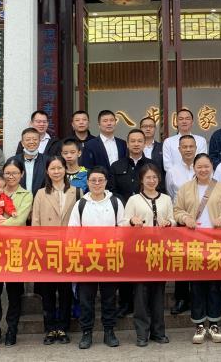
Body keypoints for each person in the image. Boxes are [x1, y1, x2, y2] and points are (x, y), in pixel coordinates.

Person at [173, 153, 221, 344]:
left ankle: (214, 323)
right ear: (194, 168)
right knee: (197, 284)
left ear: (212, 167)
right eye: (199, 166)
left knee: (215, 284)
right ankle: (199, 325)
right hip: (194, 243)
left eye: (206, 166)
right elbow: (177, 210)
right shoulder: (185, 188)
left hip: (215, 242)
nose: (203, 169)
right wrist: (185, 218)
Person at [68, 167, 125, 349]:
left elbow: (123, 228)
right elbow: (73, 231)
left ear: (106, 182)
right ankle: (86, 333)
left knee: (109, 297)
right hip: (87, 258)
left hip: (109, 257)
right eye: (93, 180)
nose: (97, 183)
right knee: (86, 299)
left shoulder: (115, 202)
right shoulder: (81, 204)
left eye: (101, 180)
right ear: (88, 182)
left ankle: (109, 331)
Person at [31, 156, 81, 345]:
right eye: (52, 168)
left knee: (66, 290)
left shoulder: (77, 191)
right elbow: (36, 222)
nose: (57, 171)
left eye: (59, 168)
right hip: (47, 248)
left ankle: (63, 327)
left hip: (69, 247)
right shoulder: (40, 193)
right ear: (47, 171)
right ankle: (50, 328)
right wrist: (38, 247)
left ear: (65, 169)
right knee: (48, 290)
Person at [123, 164, 175, 347]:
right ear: (141, 180)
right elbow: (122, 223)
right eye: (148, 178)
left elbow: (173, 220)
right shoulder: (133, 200)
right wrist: (132, 221)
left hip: (160, 251)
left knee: (158, 293)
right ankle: (142, 333)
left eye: (154, 177)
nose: (151, 181)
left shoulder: (166, 199)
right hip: (139, 252)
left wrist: (169, 222)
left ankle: (158, 332)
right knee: (140, 294)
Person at [0, 158, 33, 347]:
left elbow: (20, 220)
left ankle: (12, 330)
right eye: (7, 173)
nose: (10, 176)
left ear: (21, 174)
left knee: (14, 293)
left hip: (15, 248)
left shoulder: (26, 195)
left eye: (15, 173)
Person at [108, 129, 153, 317]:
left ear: (144, 143)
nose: (136, 144)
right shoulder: (116, 166)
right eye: (132, 141)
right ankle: (125, 303)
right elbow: (112, 190)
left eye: (139, 141)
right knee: (125, 262)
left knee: (145, 263)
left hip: (147, 223)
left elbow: (158, 189)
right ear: (127, 144)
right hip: (125, 221)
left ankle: (145, 304)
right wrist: (129, 208)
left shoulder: (151, 165)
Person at [165, 134, 197, 315]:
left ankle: (198, 297)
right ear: (179, 150)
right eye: (184, 147)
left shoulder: (203, 167)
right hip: (181, 221)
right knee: (182, 259)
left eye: (191, 146)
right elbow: (171, 194)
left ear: (196, 148)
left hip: (202, 221)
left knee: (201, 258)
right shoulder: (172, 171)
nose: (188, 149)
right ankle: (181, 298)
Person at [14, 128, 49, 196]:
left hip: (41, 198)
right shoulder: (13, 161)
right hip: (19, 199)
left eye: (35, 139)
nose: (31, 142)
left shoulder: (47, 161)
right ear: (22, 143)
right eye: (28, 140)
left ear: (39, 141)